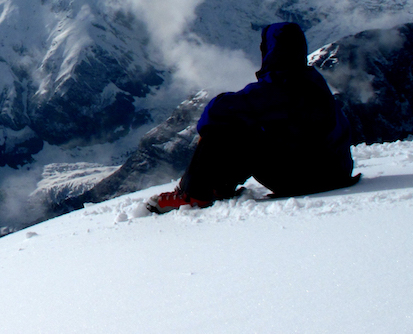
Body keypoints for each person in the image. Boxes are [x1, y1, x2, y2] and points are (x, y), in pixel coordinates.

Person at [148, 22, 356, 214]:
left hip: (308, 179)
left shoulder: (280, 86)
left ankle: (193, 194)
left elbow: (215, 113)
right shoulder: (311, 81)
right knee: (253, 129)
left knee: (227, 129)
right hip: (335, 173)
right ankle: (217, 188)